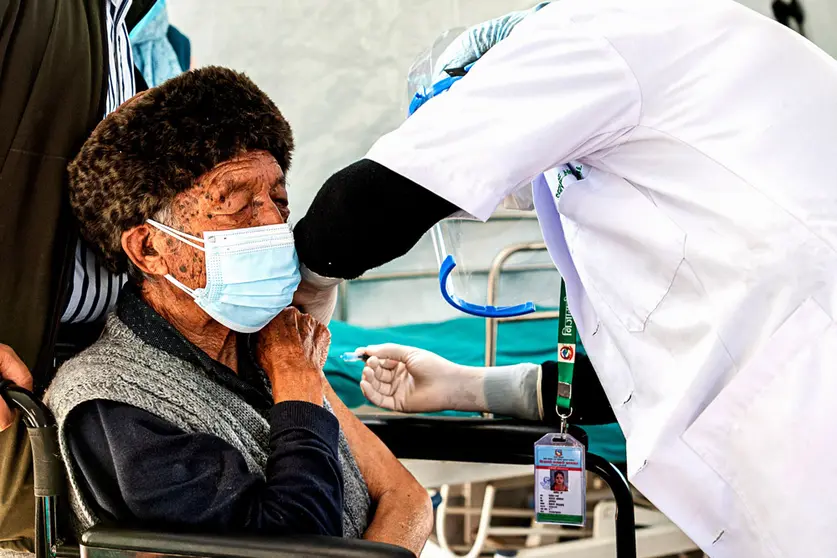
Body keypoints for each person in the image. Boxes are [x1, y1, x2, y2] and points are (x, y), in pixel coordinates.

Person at [291, 1, 837, 556]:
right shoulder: (658, 103)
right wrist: (464, 386)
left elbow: (374, 202)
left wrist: (304, 283)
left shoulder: (585, 40)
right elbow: (632, 372)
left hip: (809, 398)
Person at [43, 67, 432, 554]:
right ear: (149, 248)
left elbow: (410, 498)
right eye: (238, 204)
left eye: (278, 199)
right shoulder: (113, 406)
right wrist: (295, 375)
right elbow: (296, 548)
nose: (273, 221)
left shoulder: (265, 343)